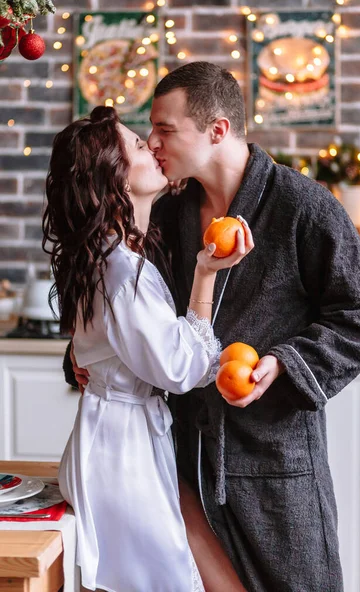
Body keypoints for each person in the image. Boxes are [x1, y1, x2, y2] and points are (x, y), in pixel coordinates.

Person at [67, 62, 360, 592]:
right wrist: (85, 358)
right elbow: (127, 310)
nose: (153, 143)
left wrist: (285, 363)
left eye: (165, 129)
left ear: (216, 130)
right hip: (177, 464)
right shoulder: (166, 213)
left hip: (272, 464)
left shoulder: (302, 207)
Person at [43, 105, 254, 592]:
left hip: (116, 443)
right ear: (114, 180)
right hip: (123, 456)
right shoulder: (123, 270)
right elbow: (183, 368)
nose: (153, 147)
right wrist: (207, 273)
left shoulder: (111, 257)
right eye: (140, 145)